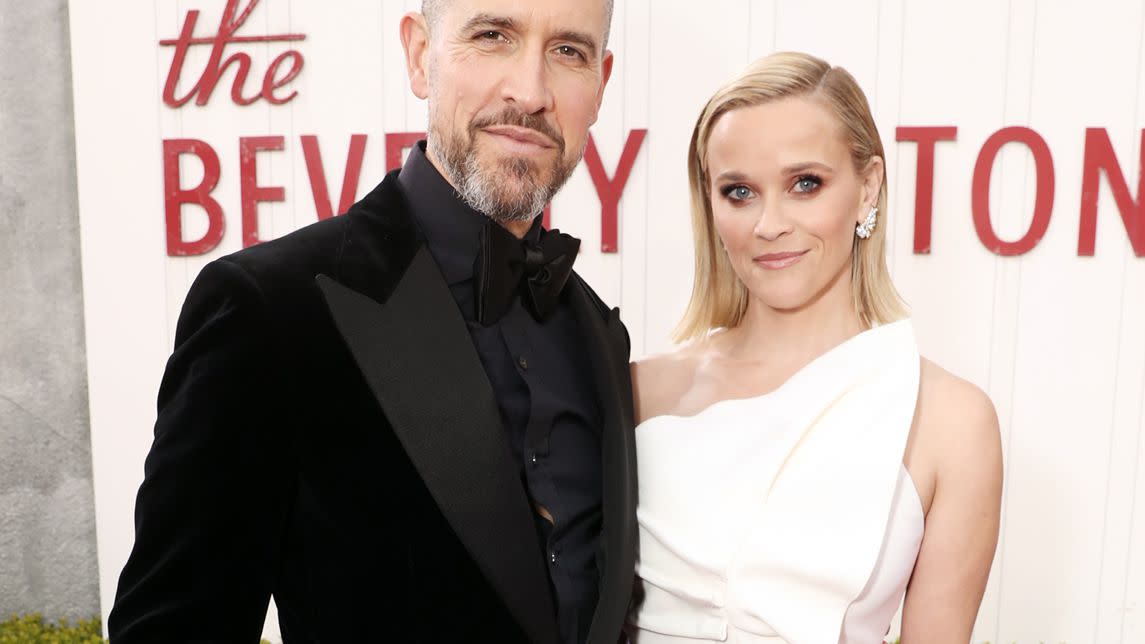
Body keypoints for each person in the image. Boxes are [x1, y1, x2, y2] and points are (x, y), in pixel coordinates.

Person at [109, 1, 636, 642]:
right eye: (493, 36)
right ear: (419, 56)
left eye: (568, 52)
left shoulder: (600, 338)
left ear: (601, 84)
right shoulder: (268, 311)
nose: (530, 92)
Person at [625, 52, 1003, 643]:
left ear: (868, 184)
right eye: (739, 192)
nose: (769, 223)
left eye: (805, 184)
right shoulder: (641, 389)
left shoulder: (952, 422)